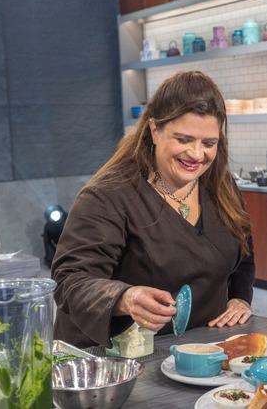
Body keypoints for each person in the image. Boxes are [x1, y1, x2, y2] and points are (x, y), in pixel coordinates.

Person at [52, 70, 255, 348]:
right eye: (183, 140)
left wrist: (240, 297)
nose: (197, 154)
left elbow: (244, 254)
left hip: (201, 351)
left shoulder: (221, 185)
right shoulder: (109, 195)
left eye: (209, 143)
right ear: (154, 130)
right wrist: (125, 297)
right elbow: (70, 281)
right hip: (121, 359)